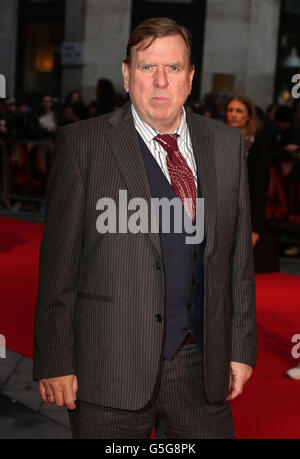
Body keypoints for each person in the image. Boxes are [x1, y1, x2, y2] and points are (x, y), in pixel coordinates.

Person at [33, 17, 256, 439]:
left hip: (199, 368)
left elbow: (237, 263)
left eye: (172, 68)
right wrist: (55, 360)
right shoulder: (83, 144)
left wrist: (241, 348)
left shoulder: (227, 145)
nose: (159, 81)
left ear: (190, 78)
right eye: (146, 67)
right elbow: (58, 265)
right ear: (126, 74)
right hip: (108, 364)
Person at [225, 94, 271, 248]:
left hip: (245, 209)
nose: (233, 114)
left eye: (239, 111)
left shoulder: (259, 143)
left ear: (248, 115)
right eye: (230, 110)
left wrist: (255, 226)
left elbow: (260, 185)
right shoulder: (217, 138)